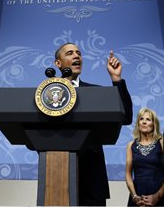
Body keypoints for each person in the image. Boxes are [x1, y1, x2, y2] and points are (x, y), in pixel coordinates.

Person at [54, 42, 133, 206]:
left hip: (92, 178)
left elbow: (125, 117)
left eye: (79, 53)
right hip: (57, 173)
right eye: (69, 53)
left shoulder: (96, 92)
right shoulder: (48, 93)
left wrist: (116, 79)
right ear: (58, 63)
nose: (76, 56)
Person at [125, 107, 164, 206]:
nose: (144, 122)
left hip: (160, 192)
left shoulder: (162, 142)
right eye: (141, 119)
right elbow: (128, 174)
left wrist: (158, 195)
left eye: (148, 119)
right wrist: (134, 196)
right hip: (138, 193)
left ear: (154, 124)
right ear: (138, 123)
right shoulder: (131, 145)